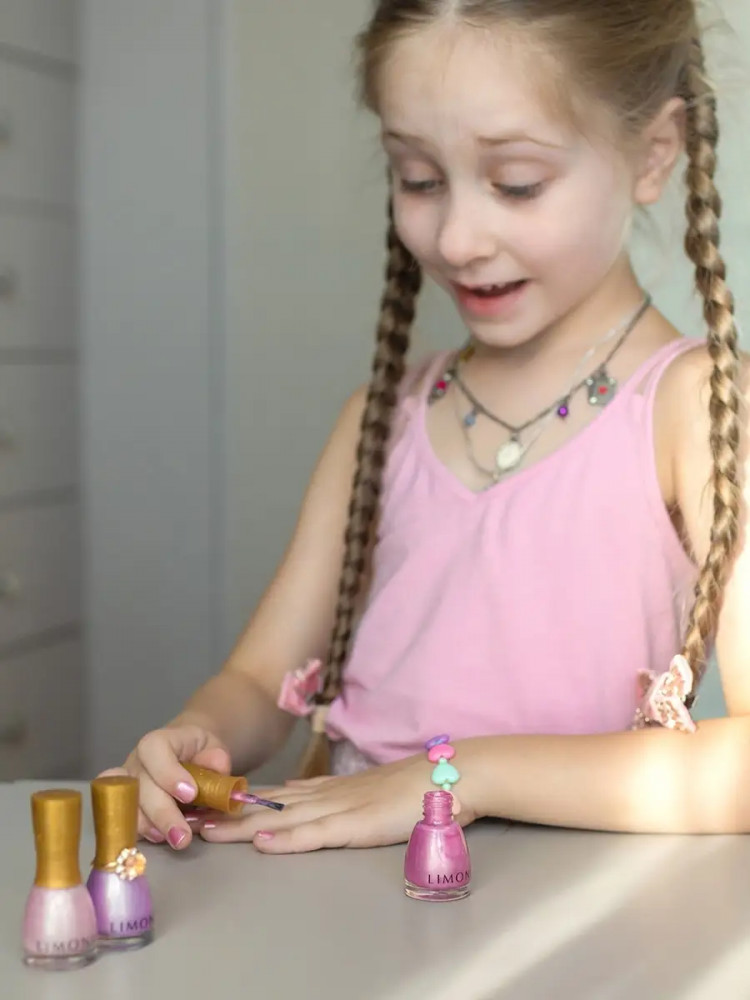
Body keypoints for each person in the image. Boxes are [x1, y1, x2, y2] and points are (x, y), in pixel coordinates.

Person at [106, 0, 750, 853]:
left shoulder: (698, 408)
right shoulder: (382, 420)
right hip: (348, 903)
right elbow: (258, 681)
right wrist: (197, 735)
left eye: (516, 183)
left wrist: (451, 776)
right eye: (417, 178)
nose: (456, 237)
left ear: (654, 153)